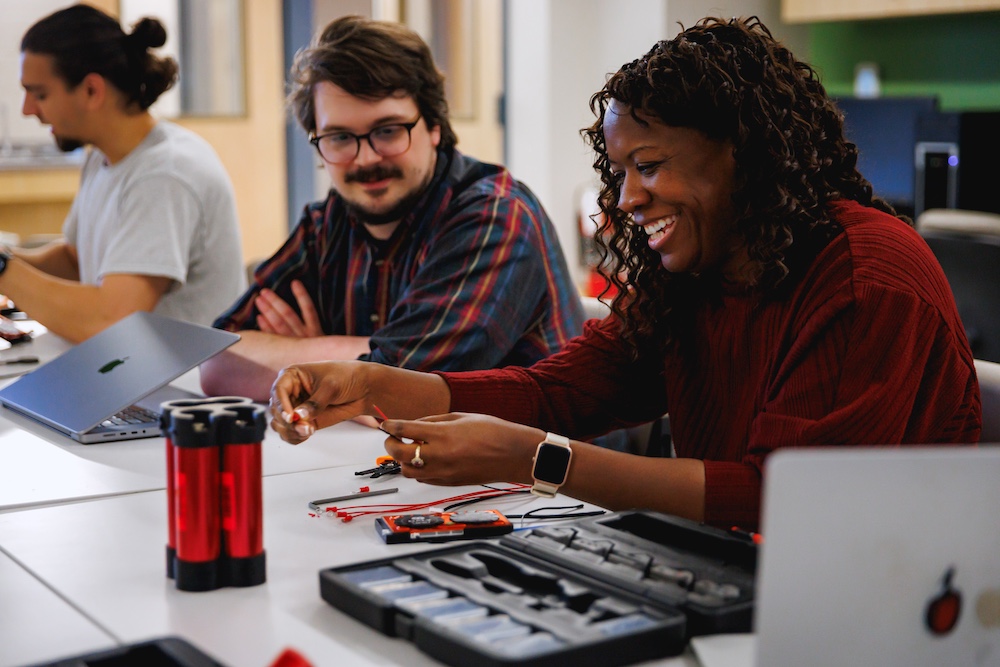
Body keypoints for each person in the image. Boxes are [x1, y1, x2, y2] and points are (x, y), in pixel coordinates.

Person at [266, 17, 981, 530]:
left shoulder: (862, 277)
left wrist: (535, 459)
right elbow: (557, 392)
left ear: (743, 152)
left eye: (649, 166)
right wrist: (374, 385)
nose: (626, 199)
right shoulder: (701, 271)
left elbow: (779, 498)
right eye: (620, 172)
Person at [201, 16, 584, 403]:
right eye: (339, 137)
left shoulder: (496, 217)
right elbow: (215, 360)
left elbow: (401, 393)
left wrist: (311, 360)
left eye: (387, 131)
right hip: (370, 443)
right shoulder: (328, 223)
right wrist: (353, 361)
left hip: (538, 444)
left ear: (434, 125)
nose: (366, 159)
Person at [0, 4, 246, 343]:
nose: (28, 110)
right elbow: (76, 261)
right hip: (133, 367)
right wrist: (8, 260)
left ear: (92, 90)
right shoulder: (103, 158)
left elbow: (111, 321)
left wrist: (5, 271)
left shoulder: (165, 175)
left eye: (40, 94)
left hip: (186, 376)